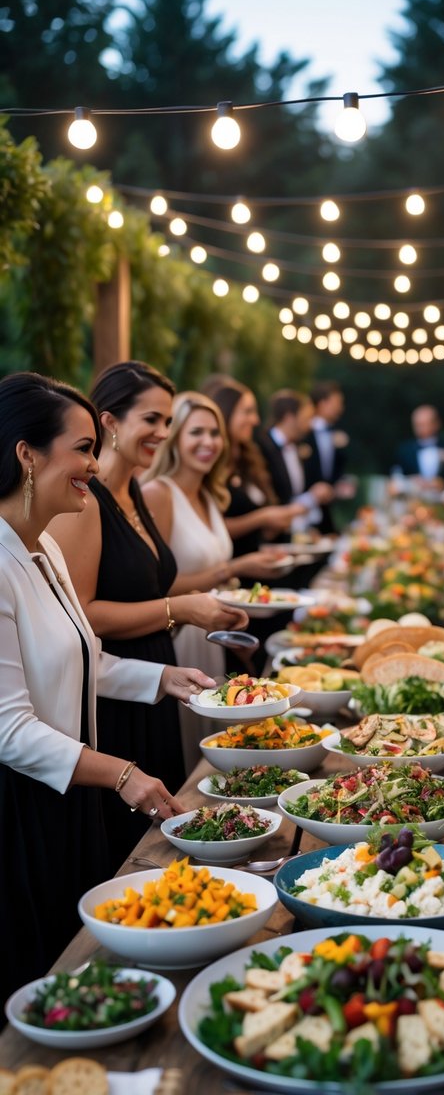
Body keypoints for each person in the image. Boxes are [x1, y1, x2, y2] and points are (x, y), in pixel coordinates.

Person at [0, 372, 215, 1009]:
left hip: (69, 797)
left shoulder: (43, 550)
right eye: (83, 448)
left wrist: (164, 678)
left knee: (84, 970)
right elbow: (9, 730)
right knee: (42, 979)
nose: (94, 465)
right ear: (26, 454)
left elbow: (87, 658)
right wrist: (122, 773)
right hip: (22, 809)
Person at [48, 361, 247, 867]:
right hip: (114, 696)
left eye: (167, 421)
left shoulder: (132, 490)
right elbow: (82, 616)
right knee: (136, 851)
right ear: (109, 422)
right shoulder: (86, 502)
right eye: (153, 420)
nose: (164, 432)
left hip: (154, 676)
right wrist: (180, 609)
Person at [141, 391, 292, 767]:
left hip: (212, 635)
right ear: (174, 438)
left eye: (214, 433)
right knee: (191, 749)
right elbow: (154, 585)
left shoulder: (210, 495)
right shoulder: (158, 493)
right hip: (179, 637)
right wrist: (237, 567)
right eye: (196, 432)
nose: (208, 442)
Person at [201, 376, 306, 560]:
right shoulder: (208, 463)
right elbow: (208, 528)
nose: (256, 420)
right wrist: (263, 518)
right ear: (226, 412)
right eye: (248, 412)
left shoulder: (248, 458)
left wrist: (272, 527)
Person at [257, 389, 335, 528]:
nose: (310, 425)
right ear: (289, 417)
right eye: (306, 418)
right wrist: (311, 497)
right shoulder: (262, 448)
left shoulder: (298, 448)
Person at [303, 380, 354, 532]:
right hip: (305, 510)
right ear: (323, 403)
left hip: (329, 508)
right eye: (337, 402)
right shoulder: (303, 433)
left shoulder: (336, 433)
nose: (341, 408)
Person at [392, 405, 444, 490]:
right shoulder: (404, 450)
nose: (422, 429)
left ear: (437, 423)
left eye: (426, 424)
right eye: (418, 425)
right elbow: (397, 476)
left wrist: (442, 482)